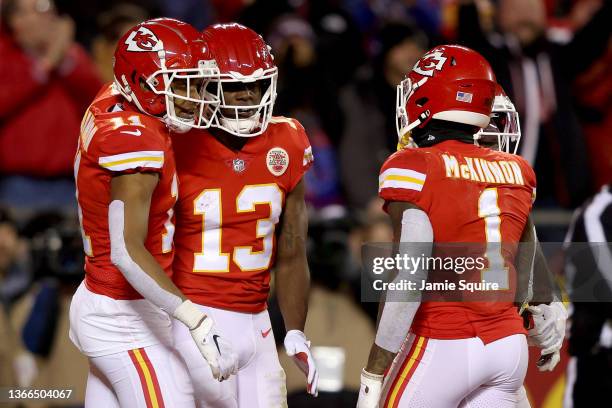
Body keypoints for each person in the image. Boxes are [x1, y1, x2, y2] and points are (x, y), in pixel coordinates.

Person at [355, 44, 565, 407]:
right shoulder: (516, 171)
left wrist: (374, 371)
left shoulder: (414, 165)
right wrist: (548, 305)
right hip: (507, 348)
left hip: (443, 342)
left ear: (426, 96)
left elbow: (409, 276)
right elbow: (524, 244)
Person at [68, 18, 237, 407]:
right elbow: (126, 251)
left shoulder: (116, 97)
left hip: (112, 300)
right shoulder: (135, 139)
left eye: (195, 82)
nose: (194, 95)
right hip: (122, 313)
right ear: (143, 81)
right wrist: (197, 321)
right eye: (180, 83)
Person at [171, 23, 318, 407]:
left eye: (255, 84)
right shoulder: (173, 143)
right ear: (204, 84)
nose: (248, 95)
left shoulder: (288, 138)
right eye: (234, 85)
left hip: (258, 321)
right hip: (193, 320)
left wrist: (296, 331)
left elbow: (291, 251)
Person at [0, 0, 102, 214]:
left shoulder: (71, 57)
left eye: (48, 9)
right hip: (21, 186)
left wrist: (62, 59)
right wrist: (45, 66)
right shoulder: (6, 56)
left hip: (70, 184)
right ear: (15, 21)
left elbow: (98, 102)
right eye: (37, 10)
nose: (47, 17)